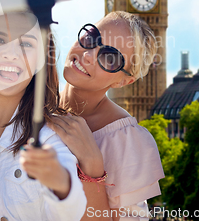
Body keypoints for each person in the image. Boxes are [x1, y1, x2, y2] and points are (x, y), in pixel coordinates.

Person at [0, 10, 87, 221]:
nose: (11, 53)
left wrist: (60, 182)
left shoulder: (49, 136)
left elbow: (71, 210)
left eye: (26, 44)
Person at [48, 11, 165, 221]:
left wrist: (92, 166)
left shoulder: (126, 141)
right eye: (91, 38)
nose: (88, 54)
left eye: (110, 58)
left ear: (124, 81)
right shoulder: (30, 102)